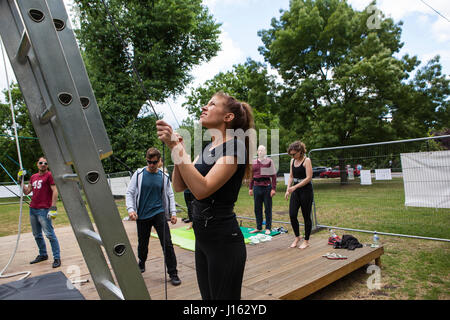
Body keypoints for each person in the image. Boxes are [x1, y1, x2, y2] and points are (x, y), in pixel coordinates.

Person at [156, 91, 254, 300]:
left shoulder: (235, 147)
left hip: (223, 240)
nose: (204, 107)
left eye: (212, 104)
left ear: (228, 117)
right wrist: (178, 151)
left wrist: (176, 147)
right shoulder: (208, 148)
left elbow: (201, 190)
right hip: (203, 239)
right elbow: (179, 185)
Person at [126, 147, 181, 286]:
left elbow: (170, 194)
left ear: (159, 162)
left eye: (154, 162)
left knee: (167, 243)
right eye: (149, 162)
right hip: (143, 215)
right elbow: (130, 193)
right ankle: (142, 261)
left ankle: (173, 273)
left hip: (159, 213)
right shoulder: (138, 174)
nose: (151, 165)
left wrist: (173, 213)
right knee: (143, 243)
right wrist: (131, 209)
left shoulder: (164, 177)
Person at [22, 157, 61, 268]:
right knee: (37, 235)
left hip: (44, 209)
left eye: (45, 163)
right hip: (33, 209)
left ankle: (57, 257)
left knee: (49, 234)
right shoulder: (33, 177)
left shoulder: (49, 175)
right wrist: (21, 181)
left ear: (47, 165)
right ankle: (43, 254)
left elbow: (55, 190)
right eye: (41, 162)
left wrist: (53, 207)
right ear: (37, 164)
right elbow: (26, 191)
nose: (43, 164)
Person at [285, 141, 314, 249]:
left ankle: (306, 240)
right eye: (291, 154)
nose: (292, 156)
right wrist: (288, 189)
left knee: (306, 216)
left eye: (294, 154)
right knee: (292, 214)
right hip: (295, 191)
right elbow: (291, 176)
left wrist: (295, 187)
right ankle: (297, 237)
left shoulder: (307, 160)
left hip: (306, 190)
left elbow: (308, 178)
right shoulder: (292, 161)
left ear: (300, 152)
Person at [249, 145, 276, 235]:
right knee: (257, 208)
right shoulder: (253, 162)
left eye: (262, 150)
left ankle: (268, 228)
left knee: (267, 208)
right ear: (257, 152)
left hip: (267, 187)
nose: (260, 152)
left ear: (265, 152)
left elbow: (274, 176)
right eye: (259, 150)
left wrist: (273, 189)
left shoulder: (269, 161)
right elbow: (251, 176)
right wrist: (250, 188)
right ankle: (258, 227)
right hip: (256, 188)